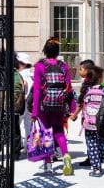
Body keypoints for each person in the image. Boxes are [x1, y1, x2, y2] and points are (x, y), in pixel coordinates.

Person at [31, 37, 73, 174]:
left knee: (46, 134)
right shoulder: (63, 66)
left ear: (45, 51)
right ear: (57, 52)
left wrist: (34, 112)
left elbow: (37, 89)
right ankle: (66, 157)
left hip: (44, 106)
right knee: (59, 132)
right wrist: (72, 108)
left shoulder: (39, 66)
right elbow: (69, 88)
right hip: (59, 105)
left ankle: (48, 165)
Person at [74, 62, 104, 177]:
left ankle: (96, 168)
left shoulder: (86, 91)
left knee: (92, 145)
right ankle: (101, 159)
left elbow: (81, 104)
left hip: (88, 123)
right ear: (99, 78)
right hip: (102, 124)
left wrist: (75, 115)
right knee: (101, 144)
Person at [15, 52, 35, 151]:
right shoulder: (31, 74)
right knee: (28, 124)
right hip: (31, 102)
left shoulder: (20, 74)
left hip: (21, 102)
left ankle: (18, 145)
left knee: (17, 124)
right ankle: (28, 145)